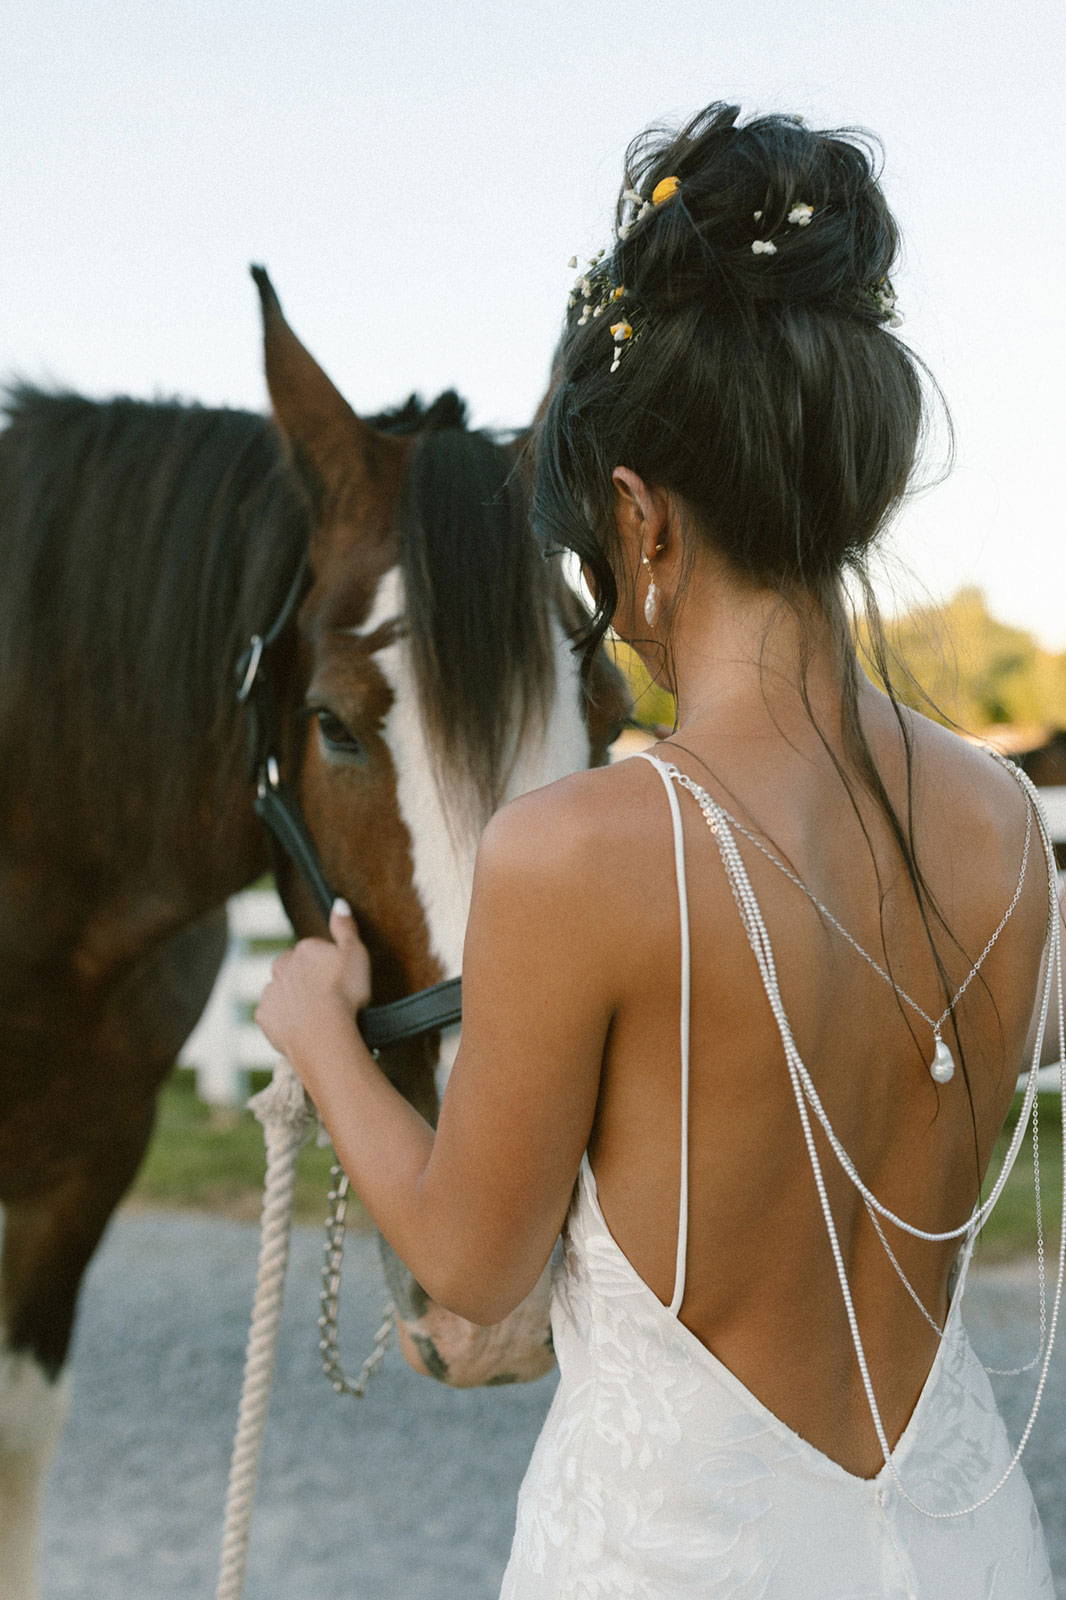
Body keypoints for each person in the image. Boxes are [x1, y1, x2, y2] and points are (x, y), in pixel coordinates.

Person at [255, 101, 1062, 1597]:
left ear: (639, 518)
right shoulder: (1002, 824)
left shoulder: (582, 852)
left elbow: (474, 1268)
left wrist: (319, 1039)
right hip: (971, 1557)